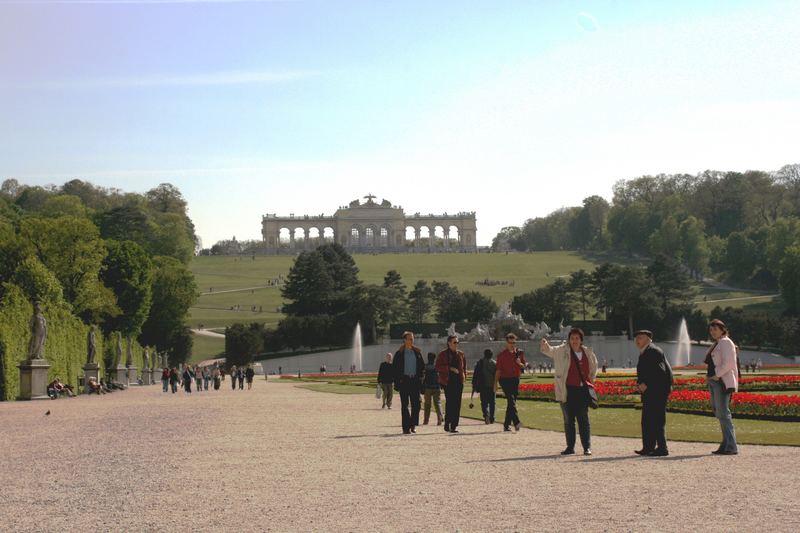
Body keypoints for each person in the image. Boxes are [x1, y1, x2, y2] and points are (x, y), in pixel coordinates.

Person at [541, 328, 598, 455]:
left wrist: (591, 382)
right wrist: (546, 345)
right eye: (572, 338)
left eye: (577, 338)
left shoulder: (588, 352)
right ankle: (570, 447)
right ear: (569, 340)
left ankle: (586, 447)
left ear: (581, 340)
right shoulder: (562, 350)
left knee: (583, 420)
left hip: (582, 390)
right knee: (568, 420)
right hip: (567, 390)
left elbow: (594, 368)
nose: (574, 341)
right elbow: (551, 351)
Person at [634, 330, 673, 457]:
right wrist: (640, 383)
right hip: (652, 391)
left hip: (657, 391)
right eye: (637, 338)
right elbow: (646, 372)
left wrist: (646, 384)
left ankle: (662, 448)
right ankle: (648, 447)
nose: (637, 340)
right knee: (648, 420)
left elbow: (660, 373)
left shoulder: (653, 351)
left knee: (656, 420)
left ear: (648, 339)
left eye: (640, 337)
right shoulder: (646, 351)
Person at [706, 319, 739, 455]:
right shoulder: (719, 342)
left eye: (715, 329)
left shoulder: (725, 342)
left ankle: (731, 446)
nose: (713, 332)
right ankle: (726, 444)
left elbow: (729, 363)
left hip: (722, 382)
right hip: (715, 381)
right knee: (719, 413)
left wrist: (717, 375)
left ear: (722, 329)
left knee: (723, 414)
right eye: (711, 329)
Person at [392, 331, 425, 435]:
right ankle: (406, 428)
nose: (412, 340)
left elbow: (422, 368)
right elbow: (395, 369)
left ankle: (412, 424)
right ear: (405, 340)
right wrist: (398, 381)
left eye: (412, 338)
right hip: (404, 381)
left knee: (417, 405)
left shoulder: (417, 353)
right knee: (405, 405)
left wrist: (421, 379)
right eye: (410, 338)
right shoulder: (399, 353)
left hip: (415, 381)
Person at [495, 333, 526, 432]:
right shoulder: (501, 355)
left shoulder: (519, 353)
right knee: (511, 400)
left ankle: (506, 425)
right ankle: (516, 422)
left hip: (515, 379)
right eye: (510, 342)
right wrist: (495, 383)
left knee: (511, 403)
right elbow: (498, 371)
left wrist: (519, 363)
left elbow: (523, 366)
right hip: (504, 380)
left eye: (514, 342)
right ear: (506, 343)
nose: (512, 344)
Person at [436, 335, 466, 433]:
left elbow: (463, 366)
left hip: (458, 381)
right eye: (454, 342)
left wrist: (463, 375)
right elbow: (437, 367)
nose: (456, 344)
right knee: (450, 402)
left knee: (457, 403)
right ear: (449, 343)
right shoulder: (442, 354)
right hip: (448, 381)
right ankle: (447, 423)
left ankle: (454, 426)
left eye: (457, 342)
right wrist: (449, 368)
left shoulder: (461, 354)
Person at [472, 349, 496, 424]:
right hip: (492, 385)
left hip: (483, 385)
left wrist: (474, 384)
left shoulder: (480, 362)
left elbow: (475, 374)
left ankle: (486, 415)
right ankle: (492, 417)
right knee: (492, 402)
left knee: (484, 402)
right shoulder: (494, 363)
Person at [422, 353, 443, 425]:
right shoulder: (437, 366)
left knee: (427, 405)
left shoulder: (426, 367)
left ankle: (426, 420)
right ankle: (440, 418)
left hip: (428, 387)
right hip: (437, 387)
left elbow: (423, 377)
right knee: (438, 403)